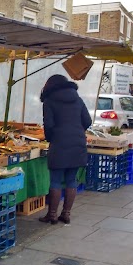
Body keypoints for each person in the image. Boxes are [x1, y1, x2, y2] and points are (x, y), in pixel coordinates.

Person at [38, 74, 92, 224]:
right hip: (78, 144)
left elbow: (48, 124)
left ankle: (52, 215)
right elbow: (87, 121)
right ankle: (66, 214)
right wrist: (76, 130)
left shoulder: (49, 101)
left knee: (55, 181)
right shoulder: (78, 99)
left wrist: (51, 138)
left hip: (59, 144)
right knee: (71, 180)